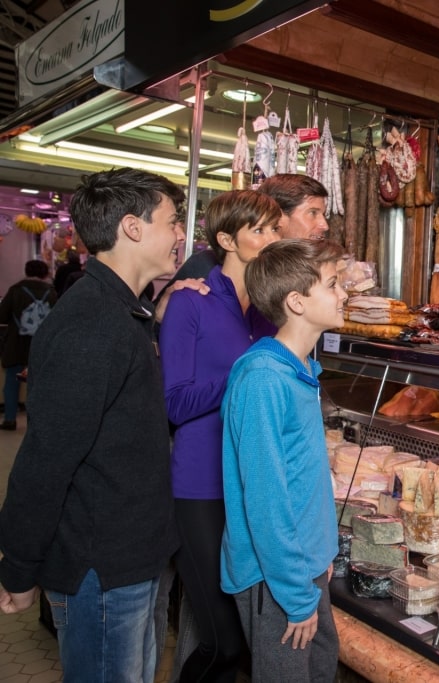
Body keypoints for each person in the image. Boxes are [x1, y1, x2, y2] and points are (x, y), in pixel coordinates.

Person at [0, 168, 184, 683]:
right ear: (132, 227)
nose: (179, 235)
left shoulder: (124, 311)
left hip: (134, 555)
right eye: (172, 222)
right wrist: (18, 563)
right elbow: (46, 460)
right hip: (101, 567)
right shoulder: (91, 323)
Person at [159, 190, 282, 682]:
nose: (273, 238)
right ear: (227, 239)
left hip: (251, 483)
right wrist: (245, 371)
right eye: (261, 230)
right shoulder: (192, 301)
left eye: (276, 228)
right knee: (222, 639)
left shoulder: (268, 310)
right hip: (200, 485)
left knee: (248, 641)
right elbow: (176, 401)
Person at [220, 238, 345, 682]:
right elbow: (266, 501)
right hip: (276, 577)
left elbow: (303, 477)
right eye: (333, 284)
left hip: (304, 566)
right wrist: (295, 592)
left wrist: (322, 549)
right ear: (296, 301)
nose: (344, 294)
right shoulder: (263, 379)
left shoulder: (301, 368)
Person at [162, 174, 330, 295]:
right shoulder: (206, 265)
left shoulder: (302, 268)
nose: (324, 225)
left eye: (323, 214)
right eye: (313, 213)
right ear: (278, 213)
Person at [0, 260, 56, 430]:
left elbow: (2, 316)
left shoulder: (16, 290)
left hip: (16, 342)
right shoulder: (52, 292)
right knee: (38, 382)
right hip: (42, 343)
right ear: (45, 273)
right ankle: (35, 422)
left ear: (26, 270)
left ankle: (10, 419)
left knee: (12, 381)